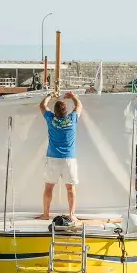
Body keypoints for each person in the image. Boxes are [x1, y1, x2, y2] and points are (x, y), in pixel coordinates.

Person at [37, 91, 82, 221]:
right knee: (70, 188)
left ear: (55, 112)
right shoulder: (72, 119)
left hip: (53, 158)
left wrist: (50, 95)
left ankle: (46, 214)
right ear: (66, 111)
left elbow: (42, 106)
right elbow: (79, 106)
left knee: (49, 187)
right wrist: (73, 96)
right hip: (69, 159)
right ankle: (72, 215)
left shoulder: (51, 119)